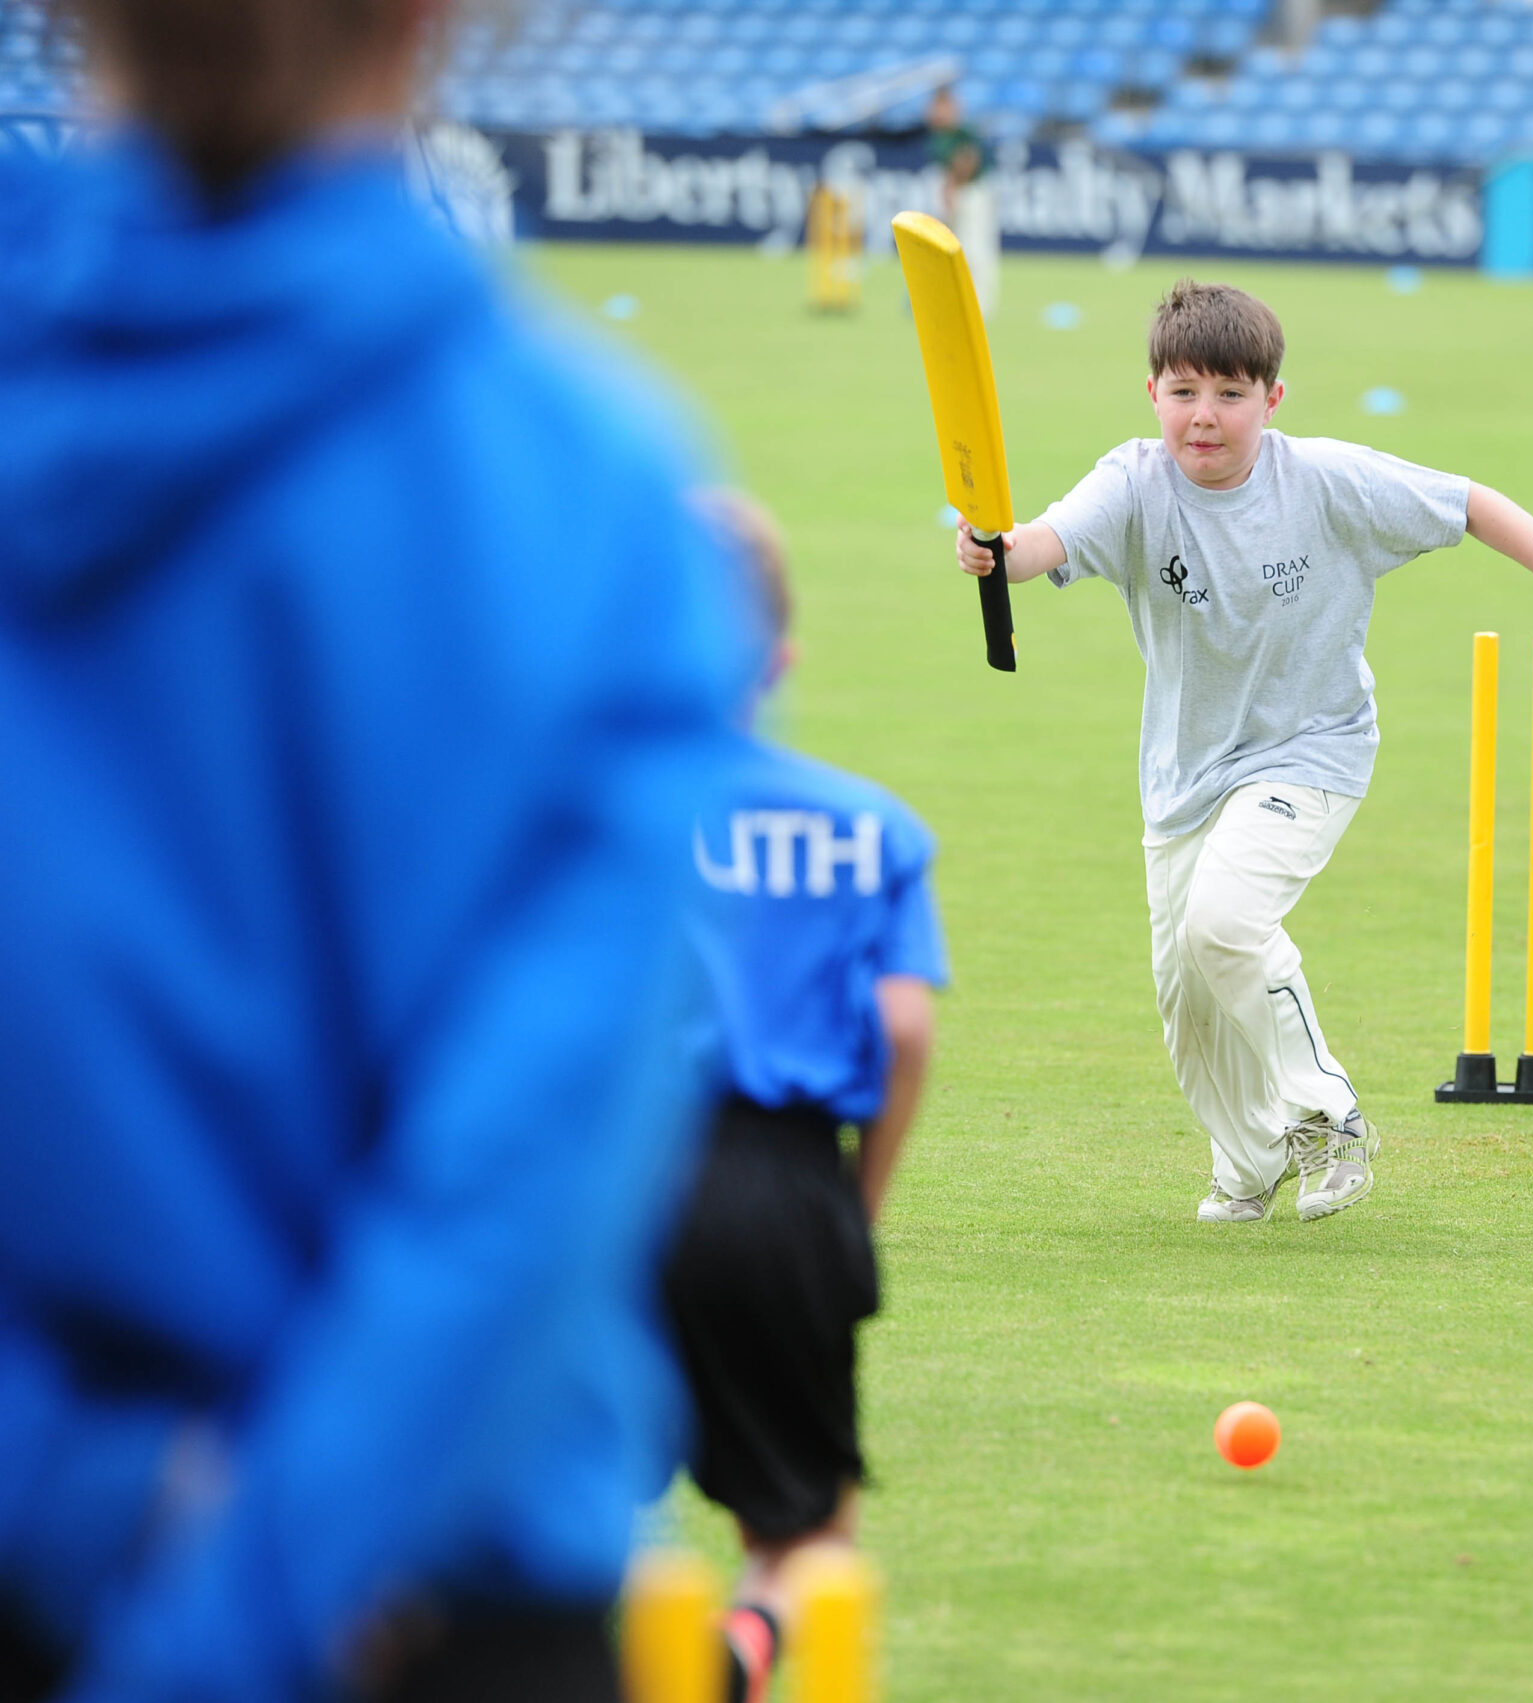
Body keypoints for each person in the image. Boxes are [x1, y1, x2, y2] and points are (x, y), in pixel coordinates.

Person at [0, 0, 755, 1698]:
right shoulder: (594, 489)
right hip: (430, 1597)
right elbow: (512, 1184)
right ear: (436, 22)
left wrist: (76, 1494)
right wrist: (242, 1598)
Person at [954, 281, 1533, 1224]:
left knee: (1226, 921)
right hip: (1182, 775)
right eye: (1183, 391)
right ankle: (1246, 1162)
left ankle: (1331, 1115)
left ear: (1273, 400)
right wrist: (995, 551)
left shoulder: (1327, 480)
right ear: (1153, 392)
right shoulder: (1131, 480)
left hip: (1311, 749)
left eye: (1230, 394)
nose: (1204, 415)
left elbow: (1469, 502)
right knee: (1189, 1007)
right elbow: (1047, 540)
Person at [663, 495, 944, 1703]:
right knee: (802, 1531)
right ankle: (754, 1641)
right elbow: (902, 1025)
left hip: (603, 1179)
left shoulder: (585, 812)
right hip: (779, 1183)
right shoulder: (870, 825)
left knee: (564, 1503)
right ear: (779, 658)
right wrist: (853, 1203)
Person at [925, 84, 997, 315]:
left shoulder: (961, 132)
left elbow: (968, 160)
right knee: (953, 248)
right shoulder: (938, 135)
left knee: (975, 250)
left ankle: (980, 307)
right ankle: (957, 303)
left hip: (972, 191)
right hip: (955, 191)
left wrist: (951, 187)